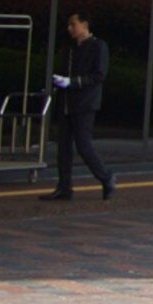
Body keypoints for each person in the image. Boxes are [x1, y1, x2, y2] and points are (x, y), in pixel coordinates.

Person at [46, 11, 116, 202]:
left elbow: (99, 75)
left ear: (85, 25)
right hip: (67, 101)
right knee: (64, 147)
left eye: (73, 24)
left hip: (85, 102)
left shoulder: (98, 46)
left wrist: (72, 82)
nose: (70, 28)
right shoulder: (69, 48)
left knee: (83, 145)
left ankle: (105, 176)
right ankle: (64, 187)